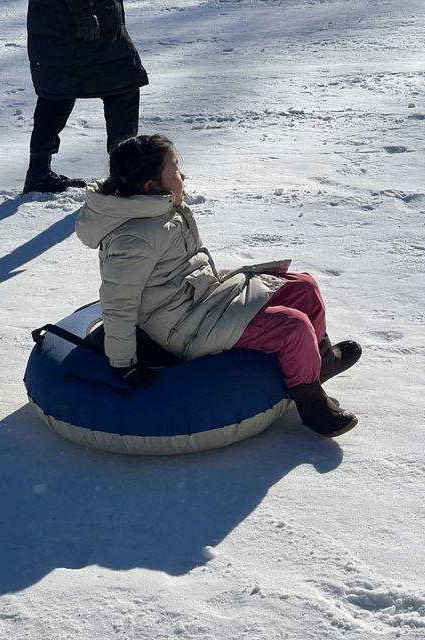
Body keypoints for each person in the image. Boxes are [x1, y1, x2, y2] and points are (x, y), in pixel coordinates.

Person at [75, 134, 363, 437]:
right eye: (174, 169)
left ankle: (320, 363)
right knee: (293, 326)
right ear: (151, 186)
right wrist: (123, 363)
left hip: (203, 300)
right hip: (182, 327)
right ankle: (312, 404)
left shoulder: (157, 210)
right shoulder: (135, 236)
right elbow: (118, 301)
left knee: (304, 286)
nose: (182, 175)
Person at [24, 0, 148, 194]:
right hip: (81, 28)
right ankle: (123, 176)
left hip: (59, 26)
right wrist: (84, 14)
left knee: (56, 94)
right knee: (123, 91)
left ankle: (38, 172)